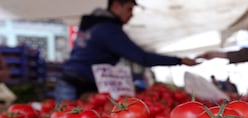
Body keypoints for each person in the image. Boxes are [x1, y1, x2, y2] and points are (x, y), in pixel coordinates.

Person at [56, 0, 197, 101]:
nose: (132, 15)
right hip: (78, 84)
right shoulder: (109, 30)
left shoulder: (93, 23)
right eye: (129, 9)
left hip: (72, 80)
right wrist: (179, 60)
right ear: (116, 5)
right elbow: (142, 58)